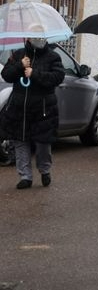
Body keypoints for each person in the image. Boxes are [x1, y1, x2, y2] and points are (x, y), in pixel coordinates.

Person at [0, 32, 65, 189]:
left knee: (43, 143)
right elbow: (6, 75)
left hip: (43, 108)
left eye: (40, 36)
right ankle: (25, 176)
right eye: (34, 36)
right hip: (19, 107)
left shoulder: (53, 57)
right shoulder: (19, 54)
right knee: (20, 141)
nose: (38, 40)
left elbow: (57, 77)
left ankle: (44, 170)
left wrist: (34, 73)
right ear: (27, 38)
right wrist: (19, 65)